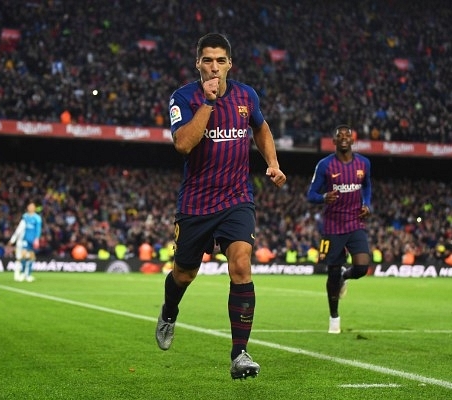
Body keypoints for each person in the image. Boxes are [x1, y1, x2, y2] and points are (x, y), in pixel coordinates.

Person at [156, 32, 286, 380]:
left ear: (230, 63)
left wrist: (272, 162)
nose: (214, 67)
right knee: (184, 273)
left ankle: (239, 353)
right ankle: (169, 311)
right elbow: (183, 144)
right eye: (207, 60)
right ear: (197, 62)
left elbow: (261, 128)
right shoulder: (183, 97)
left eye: (220, 60)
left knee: (241, 264)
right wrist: (208, 104)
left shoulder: (247, 95)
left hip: (236, 198)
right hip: (196, 203)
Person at [306, 124, 372, 334]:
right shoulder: (325, 165)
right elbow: (311, 194)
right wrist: (324, 197)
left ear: (352, 140)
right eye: (339, 136)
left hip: (355, 223)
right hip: (333, 226)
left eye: (347, 135)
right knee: (332, 273)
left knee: (362, 267)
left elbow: (367, 186)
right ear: (334, 141)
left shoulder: (364, 163)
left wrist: (366, 203)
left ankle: (347, 275)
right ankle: (334, 317)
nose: (344, 138)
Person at [8, 201, 42, 282]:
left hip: (32, 240)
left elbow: (38, 229)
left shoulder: (37, 218)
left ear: (34, 208)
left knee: (32, 257)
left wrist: (37, 239)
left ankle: (28, 274)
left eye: (33, 206)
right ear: (28, 207)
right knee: (23, 255)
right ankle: (23, 273)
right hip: (25, 239)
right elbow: (20, 228)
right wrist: (14, 239)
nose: (31, 208)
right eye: (30, 206)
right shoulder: (25, 217)